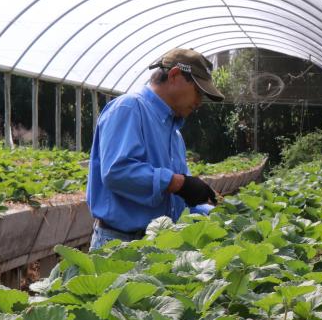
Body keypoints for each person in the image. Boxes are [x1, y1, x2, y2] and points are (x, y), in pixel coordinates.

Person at [86, 48, 224, 249]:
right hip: (119, 244)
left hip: (159, 244)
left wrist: (214, 210)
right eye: (198, 91)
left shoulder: (174, 134)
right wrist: (178, 183)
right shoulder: (129, 108)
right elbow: (117, 172)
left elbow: (175, 201)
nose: (199, 102)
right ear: (175, 75)